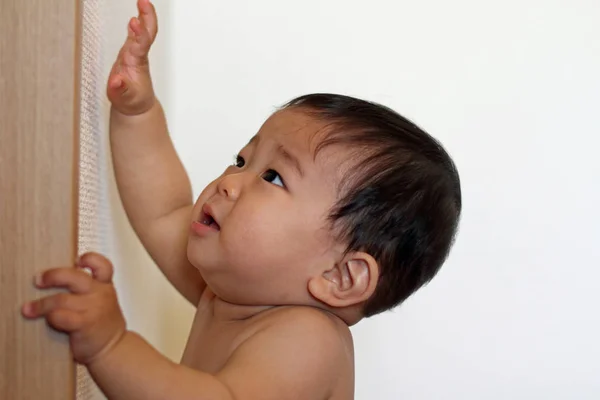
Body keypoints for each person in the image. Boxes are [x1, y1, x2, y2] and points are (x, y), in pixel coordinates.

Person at [22, 0, 461, 398]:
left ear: (342, 276)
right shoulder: (232, 294)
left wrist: (111, 344)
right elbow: (163, 210)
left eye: (272, 177)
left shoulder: (309, 341)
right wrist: (137, 112)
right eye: (241, 159)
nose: (229, 182)